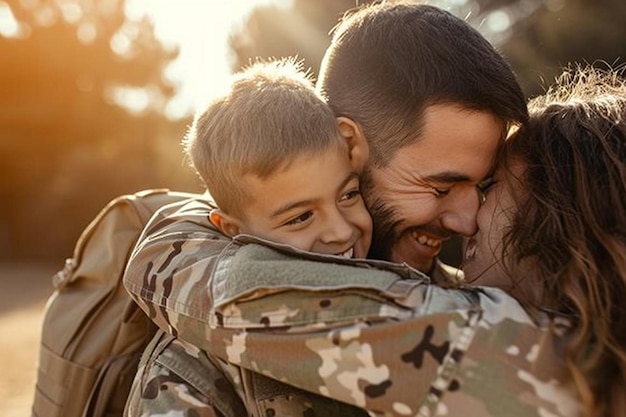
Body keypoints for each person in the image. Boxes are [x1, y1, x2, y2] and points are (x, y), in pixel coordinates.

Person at [122, 2, 564, 416]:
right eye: (440, 186)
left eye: (481, 185)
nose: (468, 222)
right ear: (351, 145)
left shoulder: (472, 297)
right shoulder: (204, 360)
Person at [124, 58, 373, 416]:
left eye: (348, 194)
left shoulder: (414, 282)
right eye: (301, 217)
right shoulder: (188, 372)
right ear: (232, 230)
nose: (342, 231)